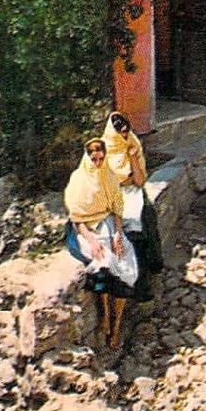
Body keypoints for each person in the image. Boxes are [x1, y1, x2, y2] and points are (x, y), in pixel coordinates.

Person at [64, 138, 139, 349]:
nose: (97, 158)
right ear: (87, 155)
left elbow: (116, 207)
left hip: (108, 225)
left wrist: (117, 233)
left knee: (125, 264)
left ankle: (116, 327)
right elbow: (76, 218)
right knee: (103, 261)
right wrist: (91, 241)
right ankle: (106, 315)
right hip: (87, 229)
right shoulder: (78, 179)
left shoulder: (109, 176)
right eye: (92, 154)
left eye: (100, 154)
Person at [103, 110, 164, 298]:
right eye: (119, 132)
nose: (124, 135)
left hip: (135, 194)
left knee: (146, 228)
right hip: (114, 200)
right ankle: (132, 286)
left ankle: (147, 279)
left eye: (126, 130)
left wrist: (132, 159)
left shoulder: (133, 143)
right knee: (126, 239)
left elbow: (139, 180)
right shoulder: (103, 150)